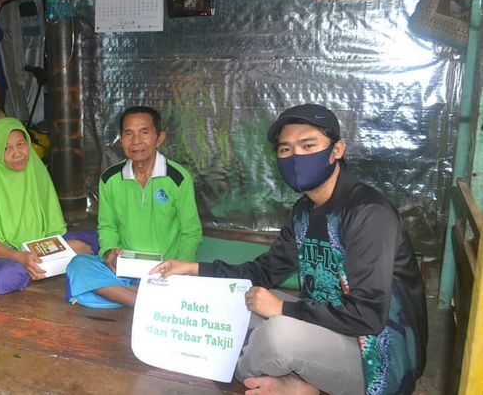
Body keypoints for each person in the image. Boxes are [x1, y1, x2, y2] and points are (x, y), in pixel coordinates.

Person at [153, 104, 427, 395]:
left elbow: (368, 317)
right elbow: (263, 272)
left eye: (308, 145)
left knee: (276, 333)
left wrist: (282, 309)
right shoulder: (304, 211)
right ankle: (302, 384)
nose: (296, 156)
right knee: (241, 301)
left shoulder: (368, 213)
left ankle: (242, 378)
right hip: (328, 330)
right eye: (285, 150)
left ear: (337, 150)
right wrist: (193, 269)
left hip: (375, 358)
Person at [65, 106, 202, 308]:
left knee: (84, 286)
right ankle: (146, 301)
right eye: (129, 133)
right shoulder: (110, 179)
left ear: (159, 137)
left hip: (164, 268)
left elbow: (191, 232)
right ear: (121, 139)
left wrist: (178, 266)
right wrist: (110, 252)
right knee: (78, 265)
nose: (136, 141)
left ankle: (123, 295)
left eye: (144, 132)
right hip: (124, 267)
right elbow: (107, 226)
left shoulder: (178, 178)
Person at [0, 117, 96, 295]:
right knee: (7, 277)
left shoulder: (36, 170)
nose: (17, 153)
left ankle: (37, 264)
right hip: (2, 253)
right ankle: (40, 265)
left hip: (37, 246)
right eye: (6, 148)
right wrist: (20, 256)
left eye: (20, 144)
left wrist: (42, 251)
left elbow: (51, 227)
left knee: (96, 237)